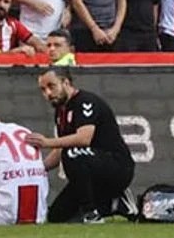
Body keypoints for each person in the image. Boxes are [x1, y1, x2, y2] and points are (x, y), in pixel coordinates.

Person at [29, 66, 136, 223]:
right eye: (43, 90)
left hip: (117, 166)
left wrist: (47, 142)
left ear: (66, 83)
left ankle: (91, 213)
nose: (48, 94)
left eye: (51, 86)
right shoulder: (61, 111)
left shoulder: (85, 102)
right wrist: (37, 169)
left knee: (72, 153)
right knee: (56, 216)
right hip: (90, 168)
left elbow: (83, 138)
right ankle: (115, 203)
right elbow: (60, 149)